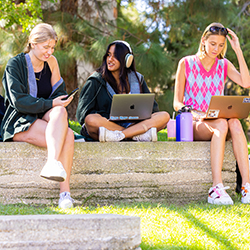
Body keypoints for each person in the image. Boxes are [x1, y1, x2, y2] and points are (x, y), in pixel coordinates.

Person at [174, 22, 250, 205]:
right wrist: (197, 114)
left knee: (235, 123)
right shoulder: (186, 63)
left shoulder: (224, 64)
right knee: (222, 123)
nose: (217, 48)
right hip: (193, 122)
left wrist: (238, 50)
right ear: (203, 41)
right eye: (213, 43)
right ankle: (216, 188)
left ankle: (247, 186)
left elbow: (246, 83)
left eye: (221, 45)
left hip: (218, 121)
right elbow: (177, 103)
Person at [0, 23, 75, 209]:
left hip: (44, 118)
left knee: (60, 111)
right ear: (33, 43)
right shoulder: (15, 65)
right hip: (19, 121)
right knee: (69, 136)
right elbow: (19, 102)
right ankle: (64, 194)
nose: (49, 52)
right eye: (45, 47)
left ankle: (53, 165)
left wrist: (62, 99)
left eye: (52, 48)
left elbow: (58, 93)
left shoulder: (52, 62)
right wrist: (51, 103)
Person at [76, 40, 169, 142]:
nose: (110, 59)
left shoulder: (138, 79)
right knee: (91, 120)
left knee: (164, 116)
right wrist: (105, 118)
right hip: (107, 126)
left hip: (132, 124)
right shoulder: (96, 80)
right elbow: (82, 114)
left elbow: (153, 111)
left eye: (115, 56)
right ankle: (135, 135)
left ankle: (122, 135)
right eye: (108, 55)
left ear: (127, 60)